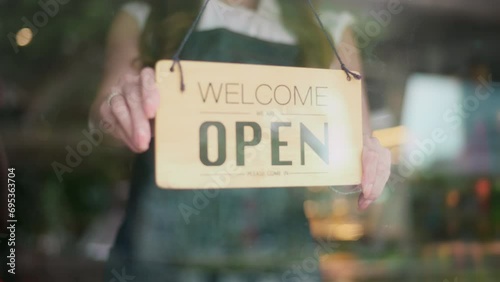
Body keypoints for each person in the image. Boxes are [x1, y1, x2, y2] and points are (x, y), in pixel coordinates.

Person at [89, 0, 392, 281]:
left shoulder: (329, 26)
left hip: (277, 260)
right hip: (161, 256)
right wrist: (119, 107)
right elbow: (106, 111)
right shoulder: (146, 16)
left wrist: (365, 166)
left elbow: (354, 144)